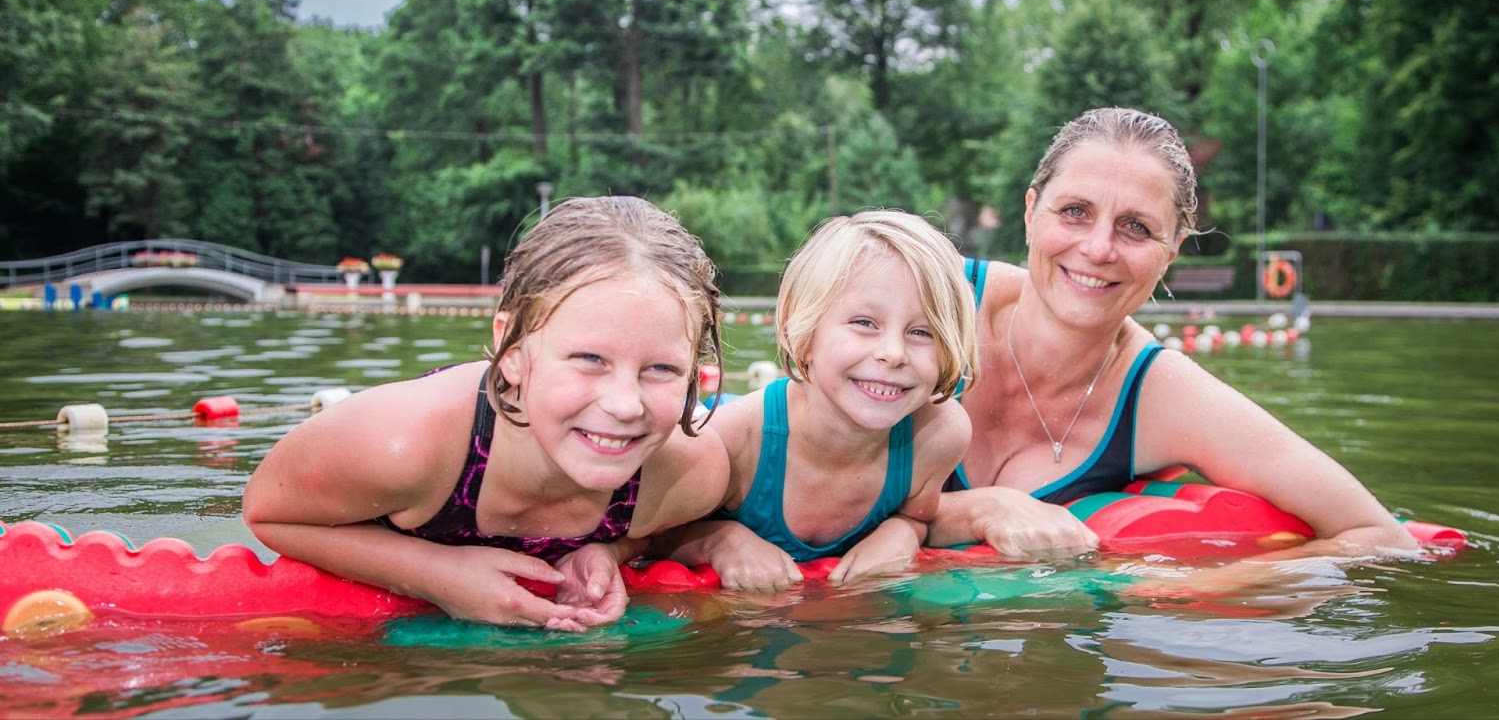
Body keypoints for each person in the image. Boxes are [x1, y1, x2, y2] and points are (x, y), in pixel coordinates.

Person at [928, 107, 1419, 561]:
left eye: (1136, 228)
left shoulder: (1166, 395)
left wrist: (1194, 585)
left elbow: (1380, 537)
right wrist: (978, 511)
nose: (1099, 249)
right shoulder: (928, 295)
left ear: (1174, 250)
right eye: (1075, 211)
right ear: (1031, 212)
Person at [242, 196, 730, 631]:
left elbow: (659, 538)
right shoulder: (405, 442)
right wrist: (431, 573)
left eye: (661, 368)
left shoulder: (690, 474)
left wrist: (611, 549)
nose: (625, 405)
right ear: (512, 348)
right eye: (589, 359)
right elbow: (268, 514)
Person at [657, 211, 980, 590]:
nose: (894, 353)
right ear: (803, 333)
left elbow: (918, 515)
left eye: (921, 331)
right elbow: (638, 536)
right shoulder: (731, 442)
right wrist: (719, 540)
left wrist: (904, 532)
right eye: (864, 323)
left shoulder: (938, 435)